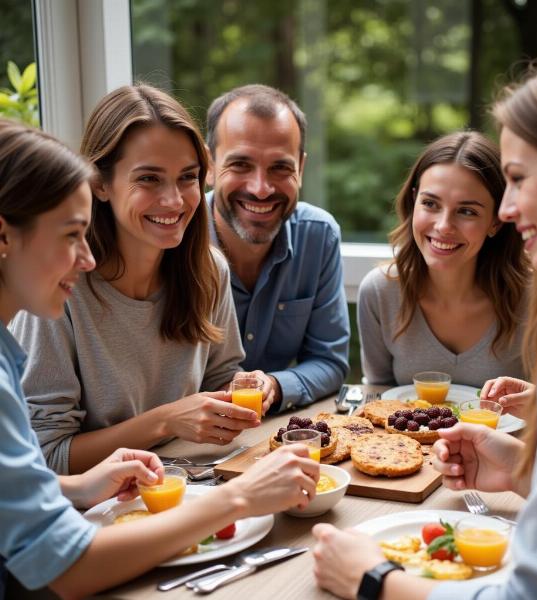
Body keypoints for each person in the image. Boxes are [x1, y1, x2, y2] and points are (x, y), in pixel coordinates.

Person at [313, 52, 537, 599]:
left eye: (518, 179)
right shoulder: (383, 290)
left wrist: (372, 580)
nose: (510, 209)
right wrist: (524, 471)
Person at [0, 119, 319, 599]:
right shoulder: (53, 310)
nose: (85, 258)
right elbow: (61, 568)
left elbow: (14, 486)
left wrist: (79, 488)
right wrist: (238, 498)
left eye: (188, 177)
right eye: (70, 234)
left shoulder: (205, 270)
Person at [11, 84, 274, 475]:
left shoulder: (208, 270)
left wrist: (246, 385)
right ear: (100, 184)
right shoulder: (60, 289)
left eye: (187, 177)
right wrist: (166, 420)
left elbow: (219, 377)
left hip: (183, 484)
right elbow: (48, 456)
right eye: (149, 179)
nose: (174, 200)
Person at [204, 84, 350, 412]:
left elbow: (330, 361)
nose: (260, 188)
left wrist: (276, 385)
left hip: (274, 433)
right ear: (209, 165)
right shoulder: (174, 239)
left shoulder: (319, 236)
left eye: (280, 167)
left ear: (301, 166)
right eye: (240, 165)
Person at [357, 131, 529, 400]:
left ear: (496, 221)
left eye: (467, 211)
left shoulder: (534, 297)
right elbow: (378, 395)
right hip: (407, 443)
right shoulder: (379, 292)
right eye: (430, 203)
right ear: (414, 201)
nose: (443, 226)